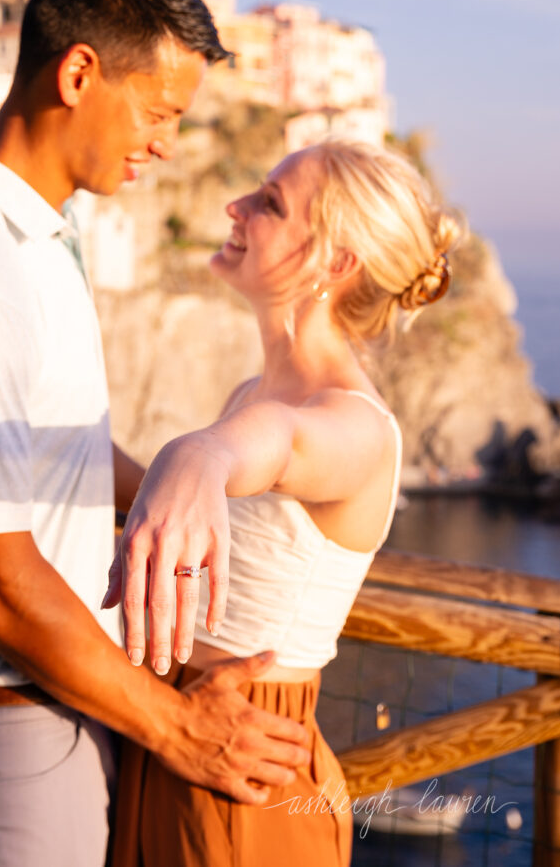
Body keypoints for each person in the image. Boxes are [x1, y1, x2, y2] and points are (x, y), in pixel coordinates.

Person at [0, 0, 311, 867]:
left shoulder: (26, 232)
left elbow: (43, 452)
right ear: (77, 73)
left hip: (37, 730)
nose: (166, 143)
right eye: (158, 111)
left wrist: (177, 506)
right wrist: (182, 732)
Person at [108, 139, 462, 866]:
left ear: (334, 263)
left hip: (248, 766)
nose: (234, 209)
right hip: (172, 727)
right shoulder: (253, 393)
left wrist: (197, 453)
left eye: (268, 203)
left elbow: (268, 445)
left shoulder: (354, 426)